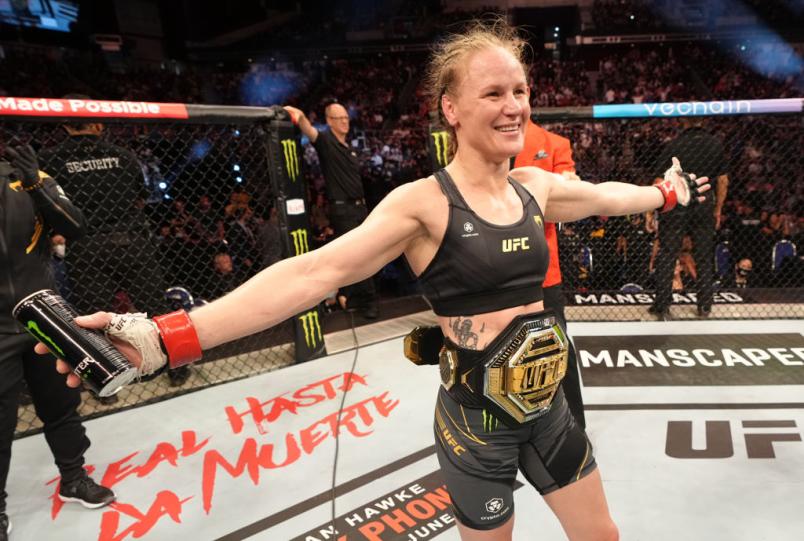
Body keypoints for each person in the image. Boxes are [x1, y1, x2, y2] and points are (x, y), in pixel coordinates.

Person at [42, 20, 708, 541]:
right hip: (479, 425)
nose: (514, 108)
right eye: (495, 93)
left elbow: (604, 196)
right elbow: (313, 270)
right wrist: (165, 337)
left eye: (521, 92)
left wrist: (663, 193)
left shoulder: (535, 187)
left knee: (605, 533)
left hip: (549, 409)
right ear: (451, 108)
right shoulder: (424, 204)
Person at [1, 144, 115, 541]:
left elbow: (77, 226)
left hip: (43, 316)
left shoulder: (33, 179)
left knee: (61, 405)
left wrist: (35, 185)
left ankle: (73, 478)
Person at [37, 99, 190, 388]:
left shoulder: (50, 159)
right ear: (99, 122)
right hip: (130, 240)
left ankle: (105, 382)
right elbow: (140, 197)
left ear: (65, 124)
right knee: (157, 310)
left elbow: (48, 204)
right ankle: (177, 367)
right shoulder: (122, 155)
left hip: (85, 246)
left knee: (93, 319)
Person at [513, 119, 586, 428]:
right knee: (503, 351)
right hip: (493, 268)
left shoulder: (553, 143)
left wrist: (568, 184)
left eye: (519, 90)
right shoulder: (479, 143)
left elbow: (567, 194)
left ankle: (573, 424)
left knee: (557, 347)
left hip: (540, 267)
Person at [283, 101, 380, 319]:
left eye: (346, 117)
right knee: (358, 255)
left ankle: (351, 296)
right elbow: (306, 126)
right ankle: (363, 300)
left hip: (360, 208)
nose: (345, 122)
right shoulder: (326, 141)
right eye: (339, 118)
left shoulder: (350, 148)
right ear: (329, 121)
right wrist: (294, 112)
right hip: (342, 209)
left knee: (367, 253)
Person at [649, 118, 729, 319]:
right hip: (703, 203)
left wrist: (653, 209)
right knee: (703, 255)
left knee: (668, 252)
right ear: (703, 121)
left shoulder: (675, 144)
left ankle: (663, 305)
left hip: (677, 203)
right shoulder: (715, 145)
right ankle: (705, 305)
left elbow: (660, 180)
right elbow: (722, 180)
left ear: (683, 122)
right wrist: (717, 209)